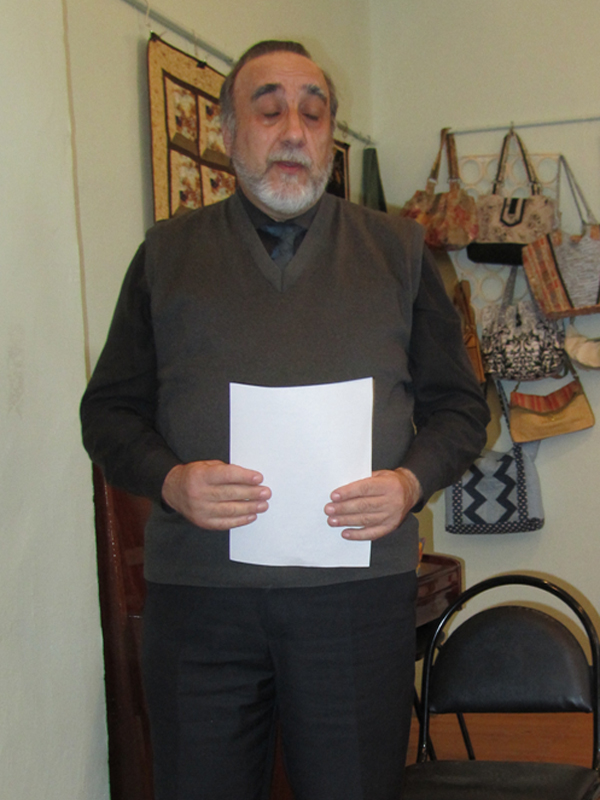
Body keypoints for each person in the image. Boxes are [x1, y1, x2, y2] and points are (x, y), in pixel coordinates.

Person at [81, 39, 489, 800]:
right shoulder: (167, 255)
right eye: (269, 112)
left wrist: (408, 484)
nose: (294, 132)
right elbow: (107, 413)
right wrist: (170, 481)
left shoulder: (398, 252)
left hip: (354, 603)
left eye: (313, 112)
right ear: (226, 132)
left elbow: (461, 409)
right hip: (200, 602)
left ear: (330, 133)